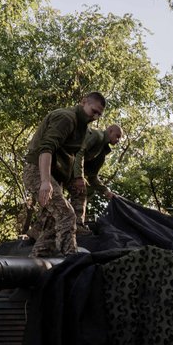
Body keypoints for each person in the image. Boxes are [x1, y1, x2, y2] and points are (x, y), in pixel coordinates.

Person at [23, 91, 106, 257]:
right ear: (84, 102)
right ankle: (72, 259)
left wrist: (72, 180)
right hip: (38, 171)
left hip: (55, 176)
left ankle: (39, 260)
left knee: (52, 223)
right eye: (93, 110)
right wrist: (45, 182)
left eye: (99, 114)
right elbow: (46, 148)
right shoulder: (67, 118)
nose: (95, 116)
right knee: (67, 215)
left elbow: (70, 156)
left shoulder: (82, 127)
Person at [68, 124, 123, 232]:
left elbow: (92, 177)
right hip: (63, 167)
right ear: (110, 130)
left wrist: (105, 191)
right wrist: (79, 177)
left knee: (87, 191)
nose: (118, 140)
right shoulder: (97, 135)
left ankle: (40, 230)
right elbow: (80, 152)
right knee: (80, 191)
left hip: (70, 172)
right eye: (117, 136)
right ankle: (77, 227)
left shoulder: (102, 152)